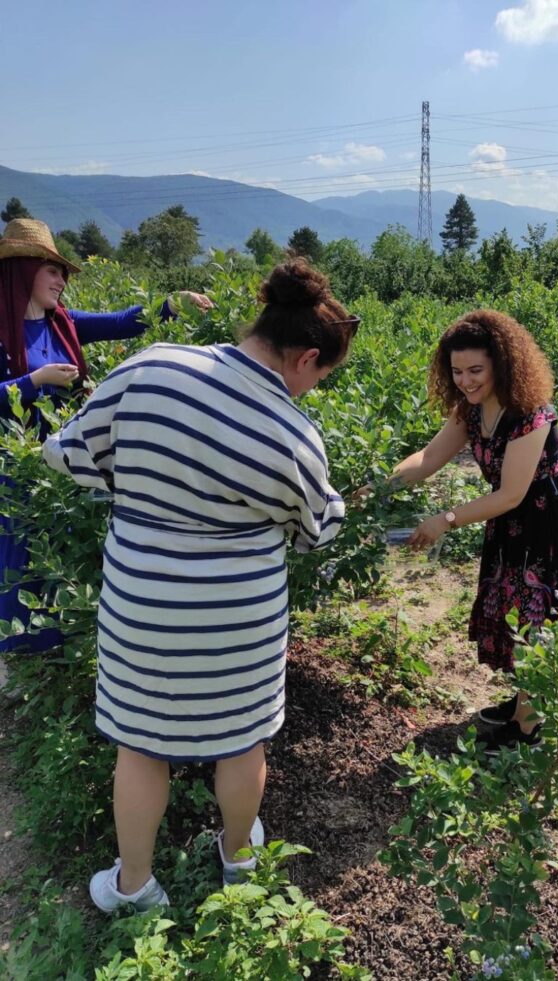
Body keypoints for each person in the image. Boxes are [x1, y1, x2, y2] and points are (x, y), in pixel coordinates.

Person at [42, 258, 358, 911]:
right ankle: (239, 858)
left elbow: (70, 455)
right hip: (240, 620)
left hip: (143, 603)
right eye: (320, 377)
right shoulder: (294, 432)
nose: (312, 391)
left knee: (140, 745)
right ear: (304, 357)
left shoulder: (151, 367)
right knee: (242, 742)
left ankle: (133, 887)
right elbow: (319, 528)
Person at [0, 218, 212, 653]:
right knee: (22, 548)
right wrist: (34, 381)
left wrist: (172, 305)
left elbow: (121, 321)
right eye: (52, 270)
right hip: (15, 463)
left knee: (60, 547)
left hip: (62, 457)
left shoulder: (63, 323)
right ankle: (24, 652)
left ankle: (60, 639)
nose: (61, 281)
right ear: (23, 270)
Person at [380, 310, 558, 755]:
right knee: (512, 609)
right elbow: (428, 458)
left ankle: (528, 732)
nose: (466, 381)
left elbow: (512, 492)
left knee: (537, 615)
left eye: (476, 370)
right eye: (456, 372)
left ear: (501, 363)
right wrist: (377, 487)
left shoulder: (530, 413)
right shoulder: (470, 410)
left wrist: (445, 519)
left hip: (550, 519)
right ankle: (524, 706)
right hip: (511, 521)